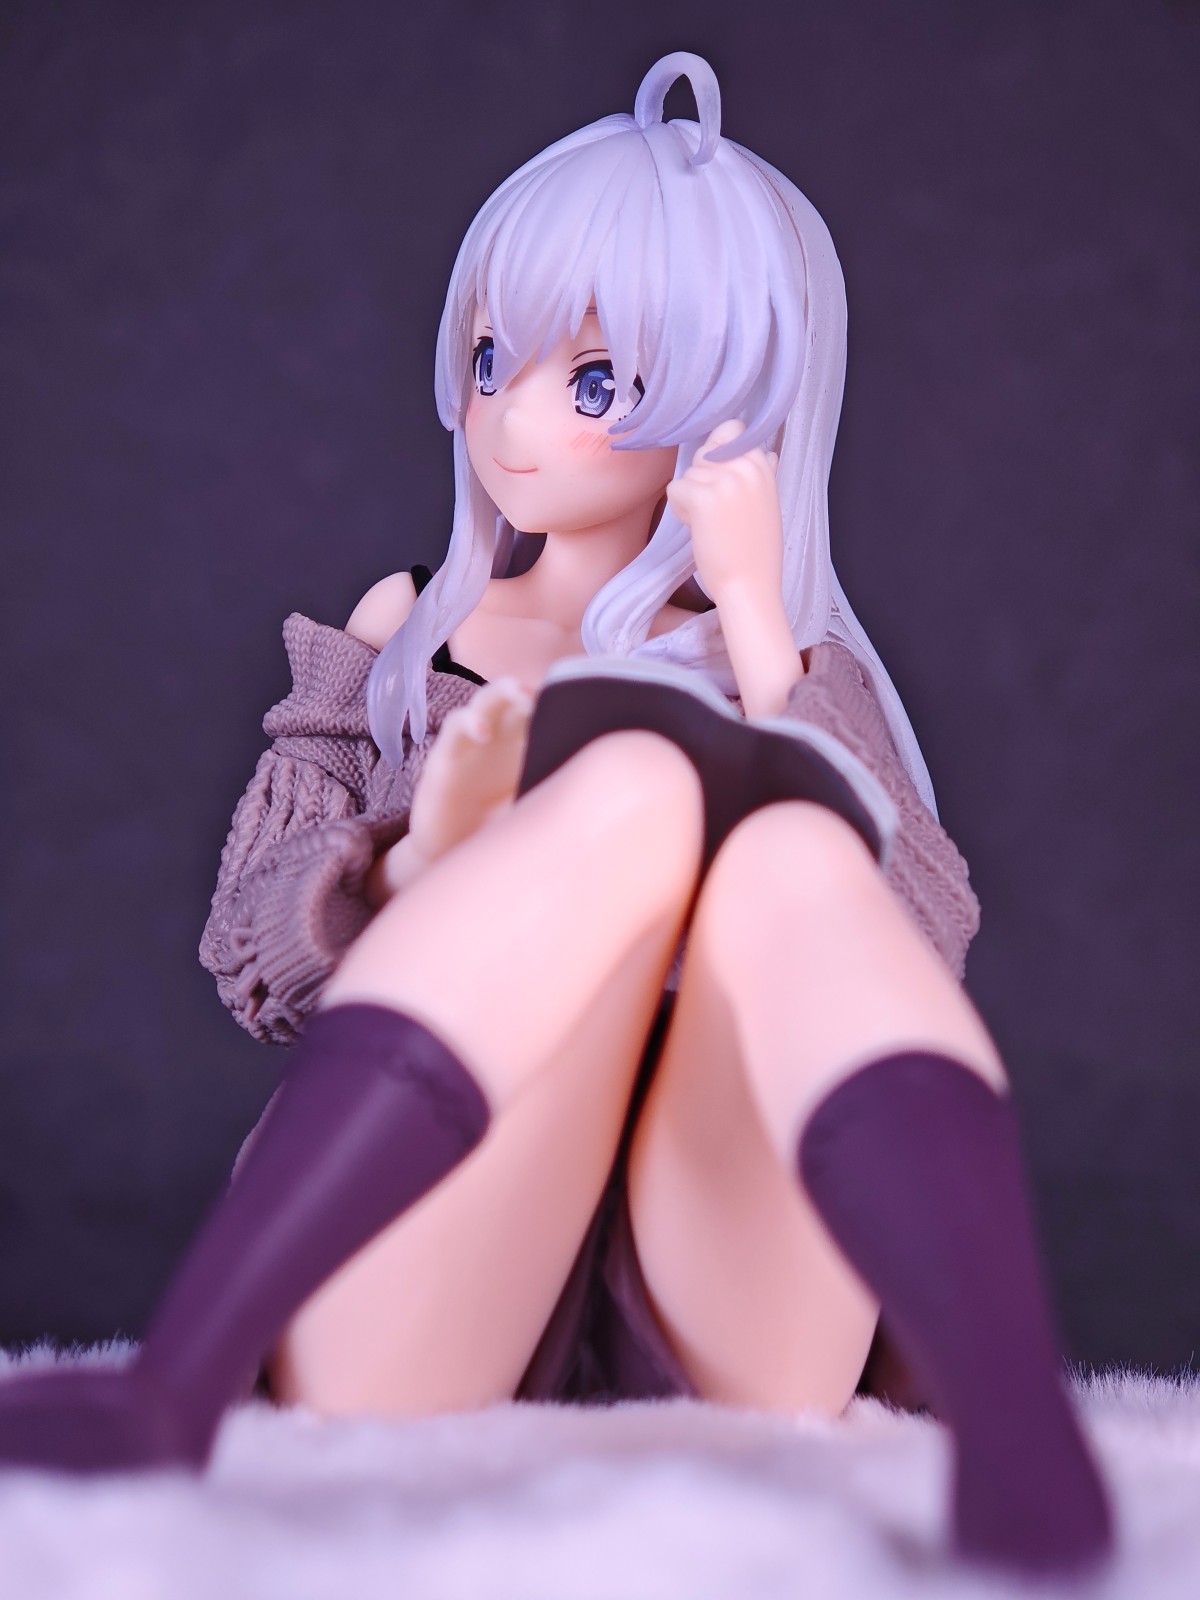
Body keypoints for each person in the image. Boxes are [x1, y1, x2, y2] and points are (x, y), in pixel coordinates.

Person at [0, 52, 1110, 1576]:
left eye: (596, 385)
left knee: (791, 842)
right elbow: (253, 958)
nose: (512, 417)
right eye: (489, 358)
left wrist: (757, 631)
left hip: (718, 1307)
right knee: (633, 784)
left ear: (726, 418)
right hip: (430, 1277)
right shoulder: (402, 643)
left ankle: (1013, 1425)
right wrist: (420, 861)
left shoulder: (788, 671)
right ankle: (176, 1383)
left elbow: (919, 943)